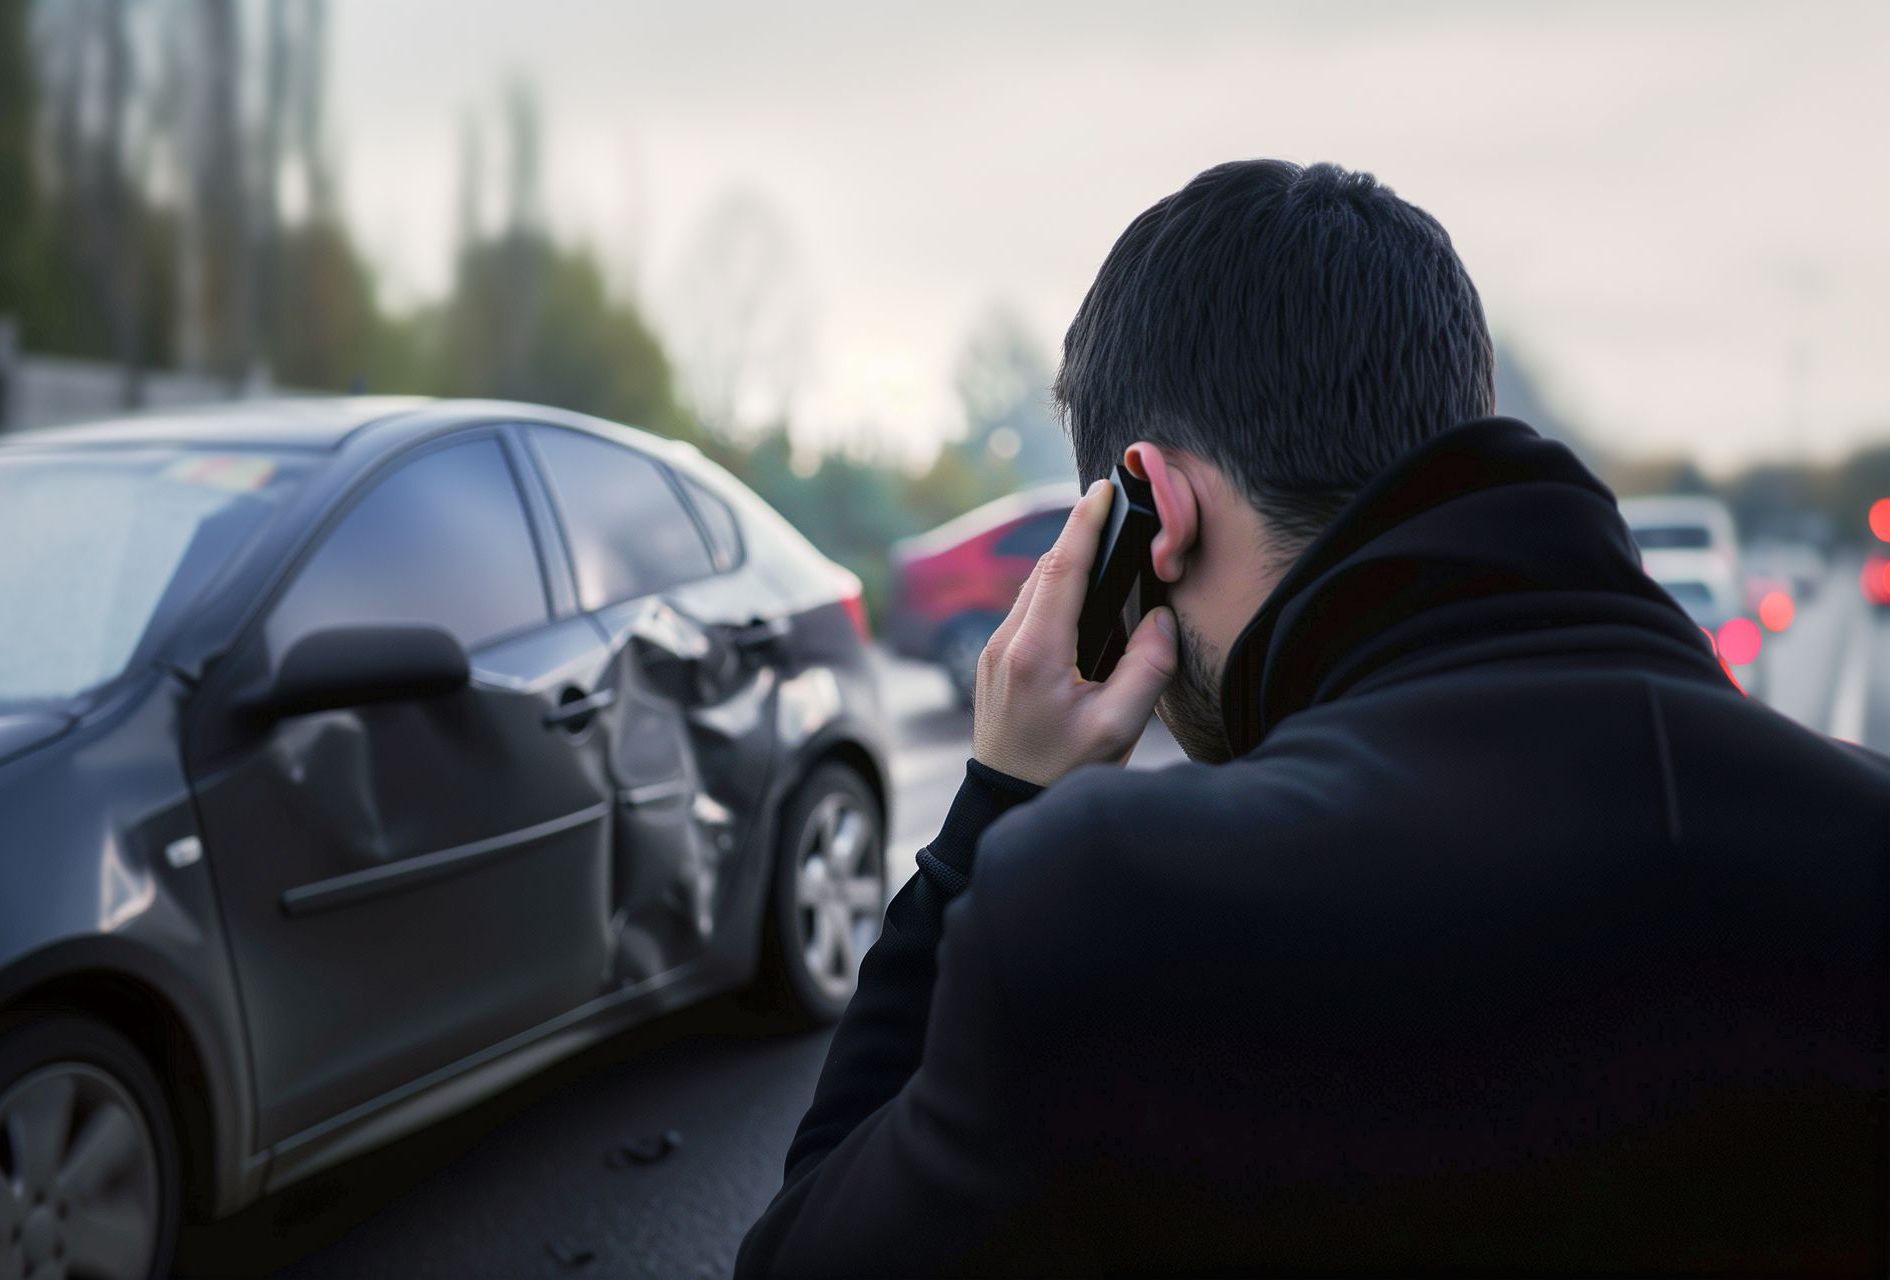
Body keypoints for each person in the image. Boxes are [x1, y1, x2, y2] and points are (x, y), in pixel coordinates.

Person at [736, 161, 1889, 1276]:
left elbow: (801, 1245)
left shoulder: (1106, 907)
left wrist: (993, 808)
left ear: (1154, 511)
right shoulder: (1858, 830)